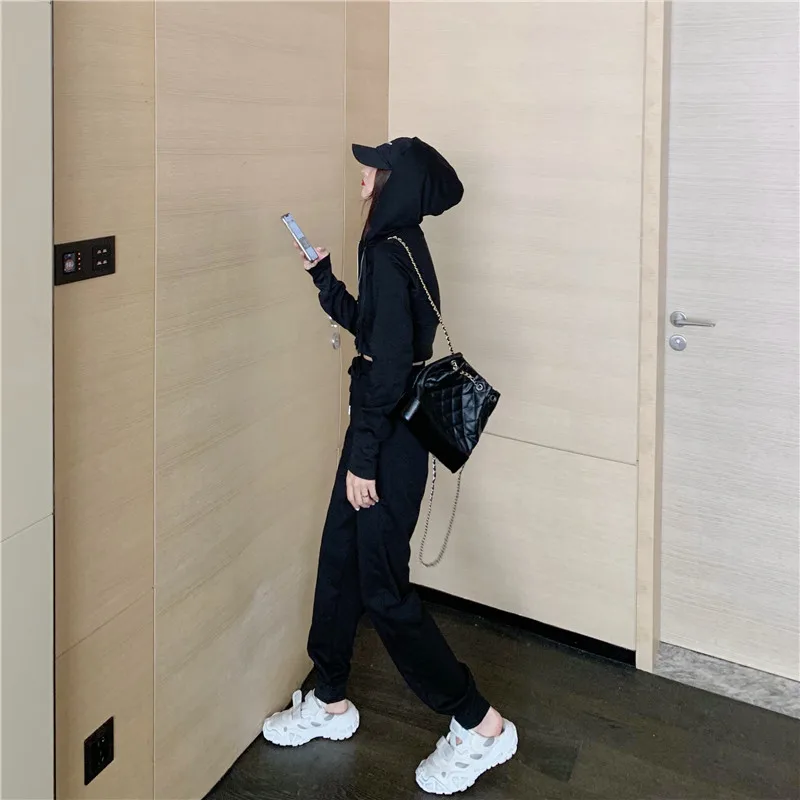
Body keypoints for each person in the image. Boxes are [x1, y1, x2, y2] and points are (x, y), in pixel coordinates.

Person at [263, 137, 517, 795]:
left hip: (387, 439)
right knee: (339, 559)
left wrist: (365, 458)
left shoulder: (387, 248)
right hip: (380, 430)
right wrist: (323, 278)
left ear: (394, 182)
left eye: (372, 171)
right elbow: (379, 335)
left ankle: (480, 723)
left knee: (382, 588)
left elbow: (388, 366)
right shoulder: (400, 243)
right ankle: (328, 699)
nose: (362, 181)